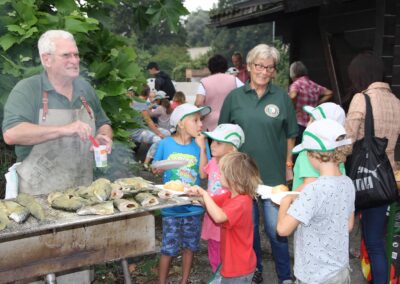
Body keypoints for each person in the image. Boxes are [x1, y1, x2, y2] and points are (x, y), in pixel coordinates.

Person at [2, 30, 113, 283]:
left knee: (78, 265)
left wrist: (105, 138)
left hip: (81, 196)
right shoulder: (28, 89)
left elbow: (105, 122)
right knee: (38, 267)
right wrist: (64, 130)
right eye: (66, 55)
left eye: (75, 54)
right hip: (39, 198)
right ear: (47, 59)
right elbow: (12, 133)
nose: (74, 60)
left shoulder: (85, 89)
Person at [219, 43, 298, 284]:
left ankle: (285, 276)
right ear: (250, 66)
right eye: (259, 66)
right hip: (242, 179)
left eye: (270, 67)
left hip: (273, 177)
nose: (264, 71)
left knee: (277, 231)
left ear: (274, 71)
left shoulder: (282, 98)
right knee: (248, 230)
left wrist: (288, 166)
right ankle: (255, 271)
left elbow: (290, 135)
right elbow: (223, 135)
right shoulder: (234, 98)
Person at [277, 119, 355, 283]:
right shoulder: (347, 183)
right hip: (340, 272)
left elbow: (283, 230)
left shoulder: (312, 190)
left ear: (313, 154)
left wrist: (286, 201)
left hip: (314, 275)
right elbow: (348, 226)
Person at [345, 51, 400, 283]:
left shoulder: (362, 98)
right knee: (378, 238)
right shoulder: (397, 102)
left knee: (373, 241)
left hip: (364, 177)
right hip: (387, 178)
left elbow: (348, 139)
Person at [152, 103, 212, 284]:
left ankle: (184, 281)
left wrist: (202, 148)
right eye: (195, 120)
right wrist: (156, 169)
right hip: (170, 206)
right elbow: (156, 166)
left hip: (193, 207)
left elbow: (203, 174)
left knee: (190, 247)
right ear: (180, 123)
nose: (200, 124)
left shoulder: (201, 145)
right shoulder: (166, 143)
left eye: (201, 120)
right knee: (168, 248)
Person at [188, 151, 259, 283]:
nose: (218, 175)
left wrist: (204, 194)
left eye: (221, 173)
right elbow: (210, 203)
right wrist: (196, 196)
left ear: (233, 178)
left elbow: (219, 217)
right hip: (231, 264)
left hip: (238, 268)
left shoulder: (241, 201)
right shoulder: (230, 195)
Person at [199, 123, 245, 273]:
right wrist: (202, 150)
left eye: (219, 143)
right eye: (212, 141)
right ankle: (215, 273)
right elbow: (202, 174)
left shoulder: (236, 168)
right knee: (213, 246)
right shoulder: (213, 162)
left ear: (232, 149)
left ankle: (226, 274)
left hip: (225, 213)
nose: (213, 145)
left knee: (226, 247)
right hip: (212, 211)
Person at [292, 102, 346, 191]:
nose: (308, 124)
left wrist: (288, 198)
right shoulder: (338, 149)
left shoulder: (309, 151)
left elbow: (310, 184)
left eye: (313, 120)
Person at [195, 54, 243, 131]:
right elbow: (245, 95)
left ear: (210, 68)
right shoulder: (234, 80)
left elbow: (198, 103)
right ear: (225, 67)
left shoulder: (204, 82)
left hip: (209, 126)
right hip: (230, 123)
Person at [288, 61, 333, 144]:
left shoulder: (296, 84)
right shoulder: (313, 85)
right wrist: (317, 104)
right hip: (311, 126)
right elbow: (329, 93)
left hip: (298, 125)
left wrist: (293, 106)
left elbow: (293, 95)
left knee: (296, 153)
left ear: (292, 74)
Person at [130, 85, 170, 168]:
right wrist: (158, 133)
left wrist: (155, 128)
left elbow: (142, 119)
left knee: (166, 133)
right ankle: (146, 164)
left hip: (141, 127)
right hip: (135, 131)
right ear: (147, 94)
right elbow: (148, 121)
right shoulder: (140, 102)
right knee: (158, 139)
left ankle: (160, 158)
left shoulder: (133, 100)